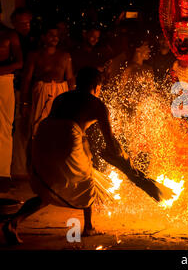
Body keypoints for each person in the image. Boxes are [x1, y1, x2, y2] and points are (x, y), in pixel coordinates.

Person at [2, 67, 124, 244]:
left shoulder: (62, 97)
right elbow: (109, 140)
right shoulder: (97, 105)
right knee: (87, 180)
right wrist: (123, 160)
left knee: (50, 190)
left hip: (43, 136)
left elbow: (54, 122)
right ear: (97, 86)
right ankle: (89, 227)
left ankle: (13, 222)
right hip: (68, 136)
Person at [20, 24, 75, 138]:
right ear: (43, 37)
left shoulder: (65, 56)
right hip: (42, 92)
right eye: (51, 35)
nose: (55, 38)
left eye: (57, 35)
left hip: (61, 92)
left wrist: (72, 99)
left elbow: (70, 78)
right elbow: (27, 79)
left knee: (59, 126)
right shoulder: (35, 55)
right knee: (39, 127)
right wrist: (24, 103)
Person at [0, 2, 23, 189]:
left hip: (4, 81)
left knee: (4, 127)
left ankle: (3, 174)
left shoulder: (9, 34)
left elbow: (19, 63)